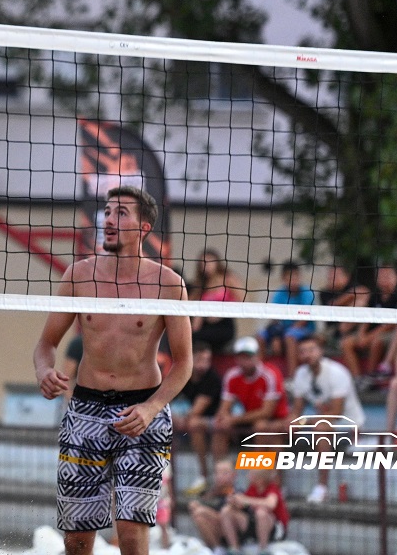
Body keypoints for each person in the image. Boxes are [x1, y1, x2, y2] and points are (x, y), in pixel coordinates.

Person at [35, 185, 193, 555]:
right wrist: (44, 371)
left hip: (142, 412)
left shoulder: (168, 284)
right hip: (85, 409)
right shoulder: (79, 275)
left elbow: (184, 362)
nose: (108, 219)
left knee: (131, 533)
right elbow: (46, 344)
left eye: (121, 213)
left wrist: (151, 408)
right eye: (107, 211)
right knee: (77, 539)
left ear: (144, 228)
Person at [284, 335, 364, 503]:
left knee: (320, 427)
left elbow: (336, 414)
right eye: (303, 351)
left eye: (311, 350)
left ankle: (322, 487)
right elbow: (297, 410)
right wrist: (290, 422)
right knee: (267, 428)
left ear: (321, 351)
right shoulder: (300, 374)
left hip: (349, 427)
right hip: (320, 425)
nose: (307, 354)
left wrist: (302, 422)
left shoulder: (337, 372)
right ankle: (271, 484)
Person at [209, 337, 290, 462]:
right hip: (250, 418)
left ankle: (259, 469)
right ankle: (220, 469)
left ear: (258, 356)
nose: (245, 361)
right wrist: (224, 418)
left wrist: (233, 419)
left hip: (277, 419)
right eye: (241, 357)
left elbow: (267, 412)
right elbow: (224, 408)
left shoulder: (270, 374)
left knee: (261, 426)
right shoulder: (232, 376)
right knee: (220, 425)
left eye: (249, 356)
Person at [340, 264, 397, 380]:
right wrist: (361, 335)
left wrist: (369, 337)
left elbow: (392, 325)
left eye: (387, 275)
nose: (383, 278)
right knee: (346, 343)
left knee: (377, 342)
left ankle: (370, 377)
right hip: (371, 333)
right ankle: (358, 379)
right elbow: (367, 317)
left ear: (396, 278)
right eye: (381, 275)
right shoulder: (375, 295)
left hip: (388, 334)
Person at [178, 340, 224, 495]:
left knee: (200, 424)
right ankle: (204, 477)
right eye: (199, 360)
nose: (204, 364)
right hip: (201, 420)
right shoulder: (183, 374)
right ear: (190, 358)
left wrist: (182, 419)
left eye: (207, 360)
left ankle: (215, 477)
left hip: (217, 420)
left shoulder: (212, 378)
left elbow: (198, 410)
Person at [258, 261, 315, 377]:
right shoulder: (279, 293)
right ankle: (260, 374)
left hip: (304, 330)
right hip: (283, 330)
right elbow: (274, 318)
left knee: (289, 336)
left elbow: (303, 320)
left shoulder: (307, 293)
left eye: (295, 277)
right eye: (289, 278)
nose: (293, 280)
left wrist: (281, 336)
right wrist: (275, 335)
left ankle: (292, 378)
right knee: (260, 336)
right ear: (283, 279)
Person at [218, 470, 289, 555]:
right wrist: (235, 501)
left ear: (260, 479)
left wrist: (247, 500)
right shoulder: (253, 488)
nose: (248, 476)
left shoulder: (272, 488)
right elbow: (244, 505)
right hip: (255, 524)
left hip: (275, 528)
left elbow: (270, 504)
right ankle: (234, 549)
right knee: (226, 511)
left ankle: (263, 549)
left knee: (261, 513)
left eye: (251, 475)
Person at [188, 249, 244, 355]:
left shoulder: (228, 279)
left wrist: (222, 311)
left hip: (224, 323)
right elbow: (189, 305)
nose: (206, 266)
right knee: (193, 337)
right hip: (205, 325)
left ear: (217, 263)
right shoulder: (200, 285)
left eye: (209, 262)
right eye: (202, 263)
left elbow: (242, 299)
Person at [187, 460, 237, 555]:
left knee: (201, 512)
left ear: (233, 475)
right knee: (198, 516)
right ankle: (217, 548)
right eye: (218, 473)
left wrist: (203, 511)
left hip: (234, 532)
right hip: (217, 530)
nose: (220, 476)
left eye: (224, 473)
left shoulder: (235, 492)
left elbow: (228, 515)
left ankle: (233, 548)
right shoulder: (213, 492)